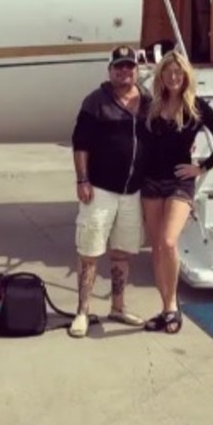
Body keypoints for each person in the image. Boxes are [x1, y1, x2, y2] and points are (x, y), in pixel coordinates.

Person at [140, 50, 213, 334]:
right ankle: (167, 306)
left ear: (185, 76)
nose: (173, 77)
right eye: (168, 72)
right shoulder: (152, 107)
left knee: (169, 242)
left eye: (178, 72)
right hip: (151, 182)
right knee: (156, 248)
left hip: (179, 183)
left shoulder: (196, 107)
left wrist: (201, 168)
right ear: (161, 76)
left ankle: (172, 306)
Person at [68, 45, 152, 338]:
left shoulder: (146, 101)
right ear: (110, 70)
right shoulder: (96, 101)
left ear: (136, 70)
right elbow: (80, 144)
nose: (124, 71)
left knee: (122, 253)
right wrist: (83, 180)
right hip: (101, 190)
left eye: (129, 66)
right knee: (89, 252)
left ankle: (118, 307)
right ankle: (83, 311)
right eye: (119, 67)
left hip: (132, 192)